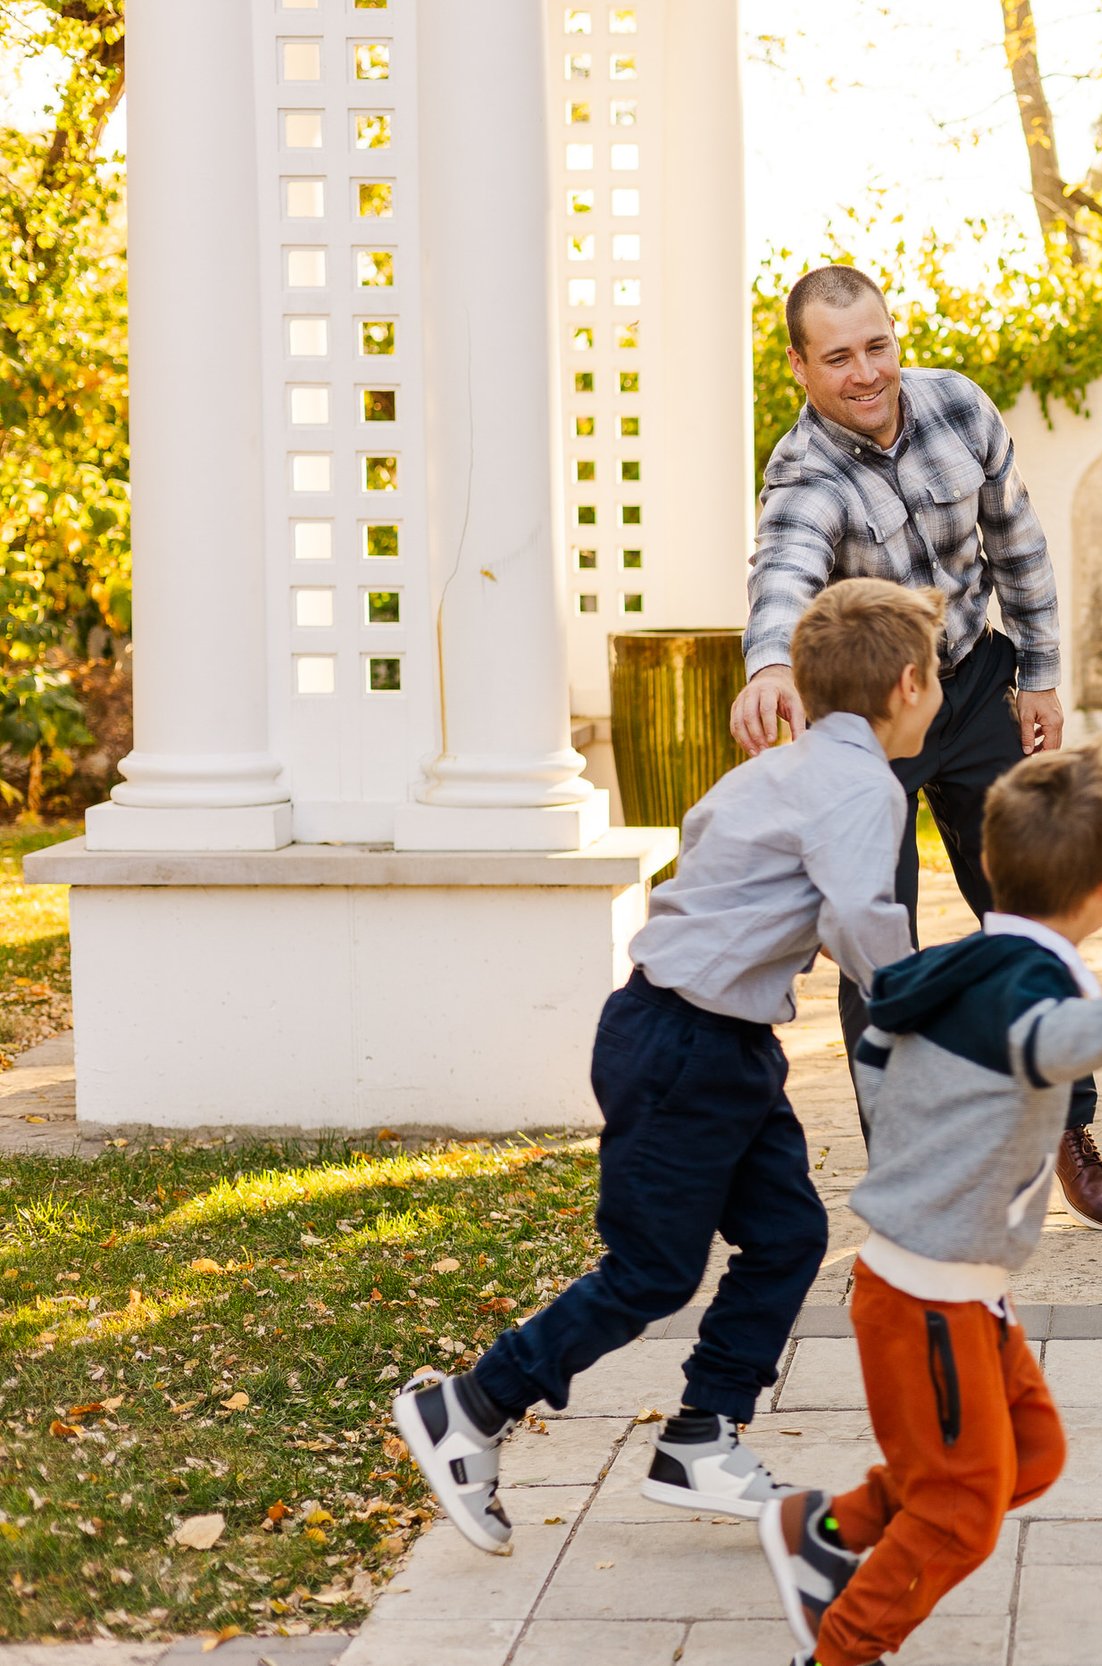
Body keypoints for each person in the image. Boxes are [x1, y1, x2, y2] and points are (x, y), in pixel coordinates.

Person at [390, 579, 942, 1553]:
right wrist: (922, 1008)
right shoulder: (862, 787)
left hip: (702, 1037)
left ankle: (701, 1435)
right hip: (691, 1045)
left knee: (785, 1233)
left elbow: (703, 849)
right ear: (906, 683)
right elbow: (859, 916)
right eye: (937, 678)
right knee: (652, 1269)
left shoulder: (776, 769)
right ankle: (471, 1405)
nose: (937, 695)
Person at [754, 748, 1102, 1666]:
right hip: (928, 1295)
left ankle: (827, 1528)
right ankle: (843, 1646)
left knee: (1029, 1455)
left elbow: (877, 1050)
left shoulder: (963, 964)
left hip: (953, 1287)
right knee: (964, 1513)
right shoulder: (1024, 995)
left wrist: (922, 1157)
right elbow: (1062, 1041)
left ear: (991, 864)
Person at [732, 263, 1102, 1232]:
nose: (865, 372)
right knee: (880, 946)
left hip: (976, 681)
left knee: (1031, 905)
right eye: (837, 358)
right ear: (799, 366)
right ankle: (908, 1172)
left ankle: (1067, 1127)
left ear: (894, 335)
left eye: (877, 345)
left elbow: (1019, 546)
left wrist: (1038, 674)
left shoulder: (957, 405)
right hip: (873, 717)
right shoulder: (802, 474)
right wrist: (765, 667)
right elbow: (783, 568)